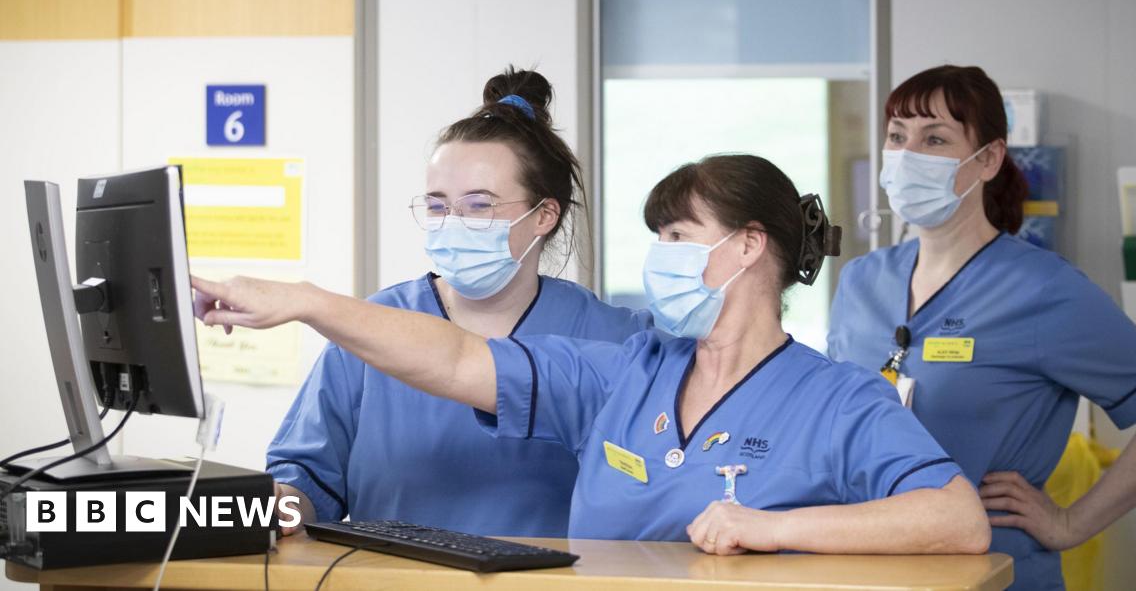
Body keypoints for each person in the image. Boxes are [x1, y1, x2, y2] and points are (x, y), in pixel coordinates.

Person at [194, 154, 991, 555]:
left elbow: (957, 518)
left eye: (678, 237)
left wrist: (777, 527)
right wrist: (306, 300)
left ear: (750, 246)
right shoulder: (626, 368)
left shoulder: (836, 398)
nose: (660, 256)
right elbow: (456, 359)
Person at [827, 65, 1136, 589]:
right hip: (867, 572)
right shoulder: (861, 282)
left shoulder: (1042, 289)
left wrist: (1072, 522)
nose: (908, 155)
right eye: (897, 136)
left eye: (935, 138)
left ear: (989, 159)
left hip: (993, 574)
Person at [264, 67, 653, 537]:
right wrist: (262, 510)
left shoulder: (613, 337)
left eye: (479, 205)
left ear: (544, 215)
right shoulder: (373, 328)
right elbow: (305, 479)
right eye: (436, 205)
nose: (451, 223)